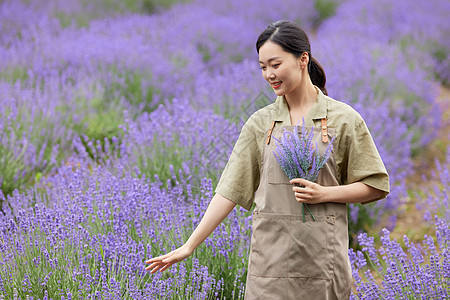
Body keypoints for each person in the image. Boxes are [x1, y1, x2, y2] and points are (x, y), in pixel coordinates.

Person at [145, 20, 389, 299]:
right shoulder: (260, 123)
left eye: (275, 64)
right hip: (268, 262)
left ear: (303, 59)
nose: (268, 74)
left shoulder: (343, 119)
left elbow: (375, 184)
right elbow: (230, 189)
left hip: (322, 261)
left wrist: (325, 193)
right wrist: (189, 245)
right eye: (263, 67)